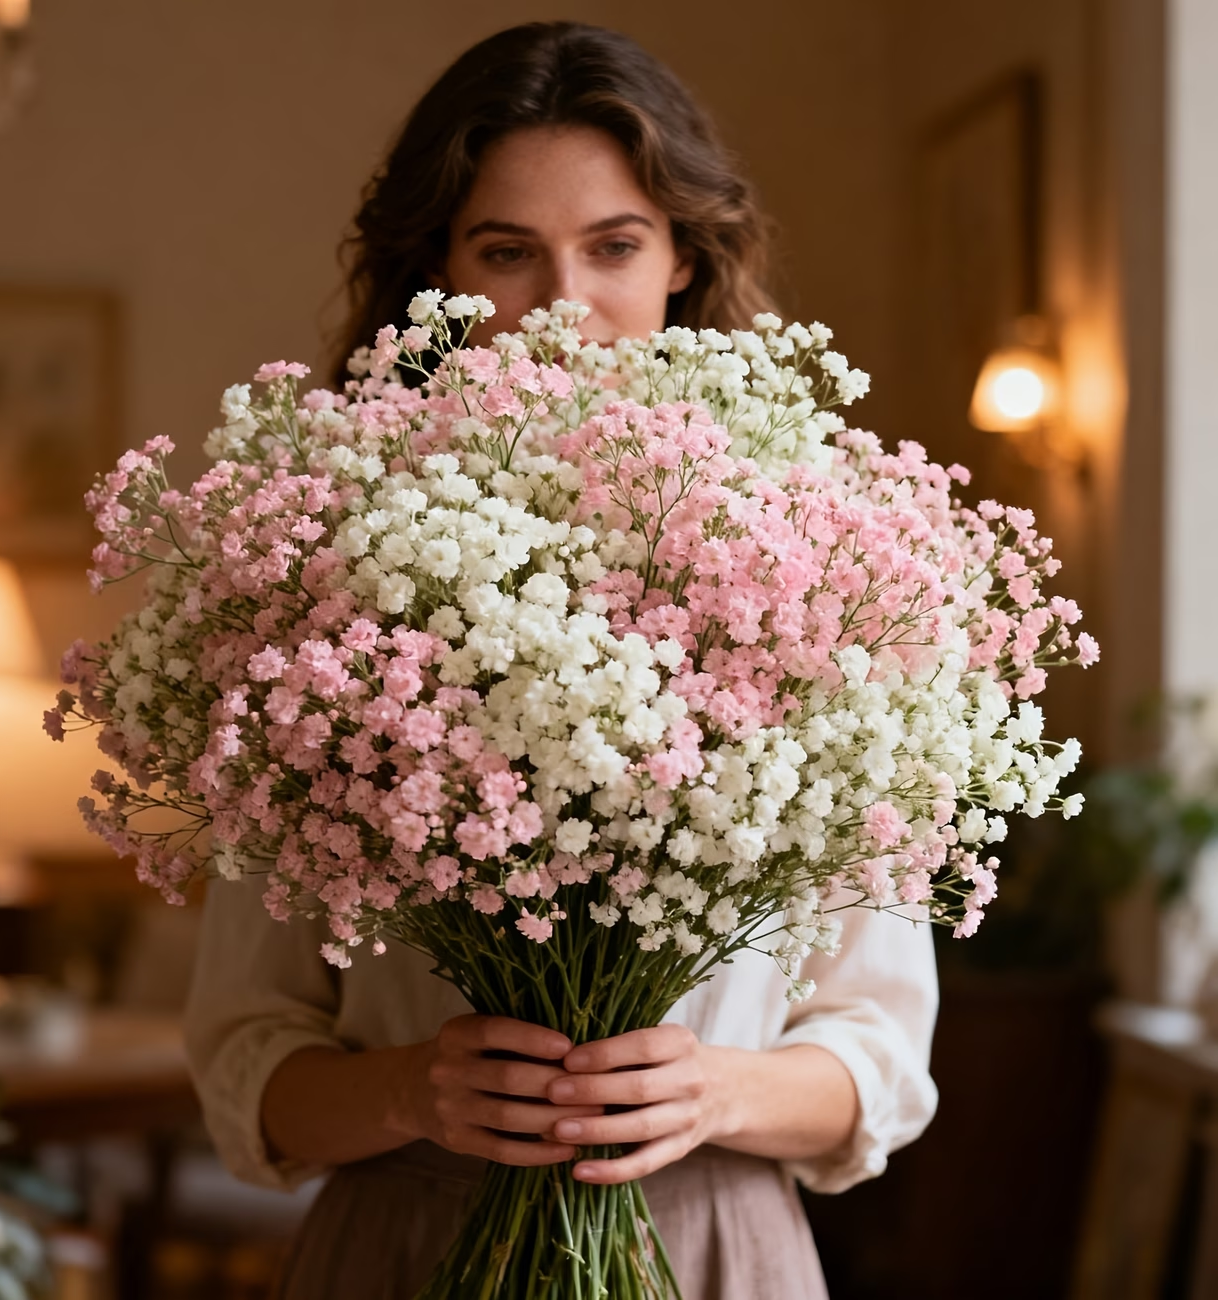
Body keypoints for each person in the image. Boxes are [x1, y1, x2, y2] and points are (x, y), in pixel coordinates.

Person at [185, 21, 938, 1299]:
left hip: (712, 1250)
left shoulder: (827, 572)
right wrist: (409, 1091)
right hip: (406, 1249)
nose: (561, 307)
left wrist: (715, 1091)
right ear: (435, 272)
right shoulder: (315, 578)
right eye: (505, 252)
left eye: (613, 246)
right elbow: (245, 1068)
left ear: (684, 260)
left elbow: (880, 1055)